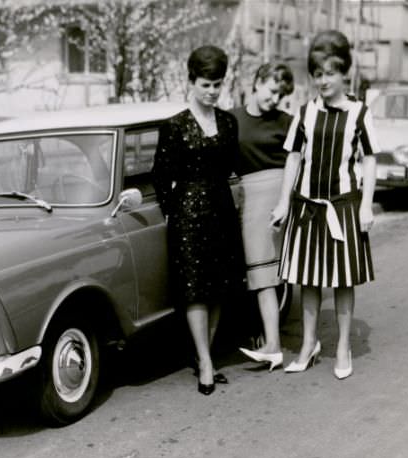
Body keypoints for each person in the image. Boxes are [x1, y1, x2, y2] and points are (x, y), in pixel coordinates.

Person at [270, 30, 379, 379]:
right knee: (308, 280)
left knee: (342, 280)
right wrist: (283, 203)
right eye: (317, 74)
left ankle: (343, 346)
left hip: (344, 206)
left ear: (345, 72)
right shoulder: (305, 113)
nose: (323, 80)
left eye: (330, 73)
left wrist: (366, 206)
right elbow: (293, 159)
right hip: (307, 208)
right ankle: (308, 344)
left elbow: (371, 161)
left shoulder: (360, 114)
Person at [152, 45, 243, 396]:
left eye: (218, 84)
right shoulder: (174, 127)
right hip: (188, 216)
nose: (212, 91)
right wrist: (174, 211)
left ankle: (207, 351)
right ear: (191, 81)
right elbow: (161, 177)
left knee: (218, 286)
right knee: (194, 290)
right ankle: (205, 361)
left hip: (221, 209)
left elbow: (234, 165)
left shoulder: (228, 122)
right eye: (206, 84)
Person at [229, 62, 295, 372]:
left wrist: (288, 199)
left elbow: (301, 161)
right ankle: (273, 345)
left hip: (285, 197)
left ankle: (305, 343)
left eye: (280, 95)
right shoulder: (232, 119)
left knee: (296, 270)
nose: (275, 99)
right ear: (257, 82)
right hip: (252, 200)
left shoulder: (287, 121)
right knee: (262, 276)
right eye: (271, 91)